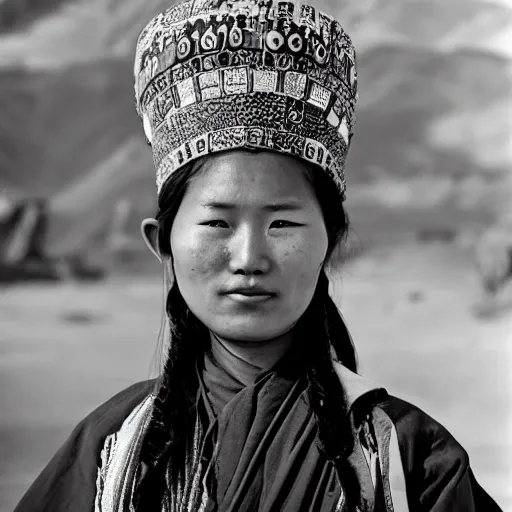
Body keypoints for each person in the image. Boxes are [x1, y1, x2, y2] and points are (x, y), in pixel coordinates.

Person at [14, 1, 502, 510]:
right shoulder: (107, 453)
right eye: (217, 223)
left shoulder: (410, 459)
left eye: (282, 223)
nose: (249, 258)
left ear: (330, 241)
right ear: (163, 244)